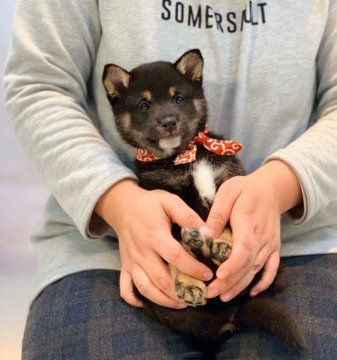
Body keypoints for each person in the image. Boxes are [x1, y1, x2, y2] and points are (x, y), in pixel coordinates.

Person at [4, 1, 337, 359]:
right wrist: (118, 202)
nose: (166, 117)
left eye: (178, 99)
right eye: (145, 106)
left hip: (300, 242)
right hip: (107, 249)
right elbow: (39, 85)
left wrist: (281, 185)